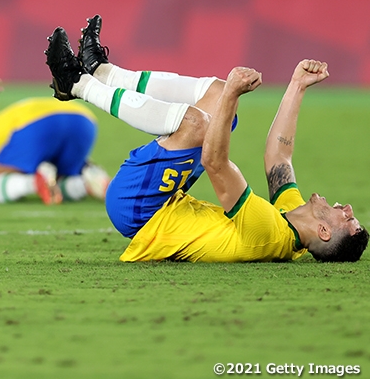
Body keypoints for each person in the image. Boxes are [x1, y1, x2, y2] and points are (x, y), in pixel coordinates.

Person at [44, 14, 368, 262]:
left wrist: (233, 94)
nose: (349, 208)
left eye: (349, 220)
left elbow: (214, 163)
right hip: (162, 201)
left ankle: (75, 84)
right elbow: (278, 157)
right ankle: (103, 72)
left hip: (141, 210)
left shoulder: (268, 233)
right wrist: (297, 84)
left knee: (198, 123)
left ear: (324, 232)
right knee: (214, 94)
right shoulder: (291, 216)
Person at [0, 97, 110, 205]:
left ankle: (34, 183)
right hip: (83, 119)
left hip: (37, 123)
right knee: (61, 179)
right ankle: (86, 182)